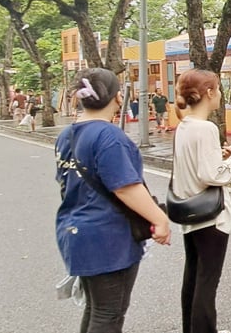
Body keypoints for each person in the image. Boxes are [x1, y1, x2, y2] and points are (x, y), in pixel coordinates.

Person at [54, 68, 171, 333]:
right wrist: (159, 218)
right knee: (109, 313)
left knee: (96, 309)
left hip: (75, 231)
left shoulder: (68, 135)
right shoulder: (109, 137)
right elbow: (126, 187)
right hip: (106, 237)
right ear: (118, 97)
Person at [172, 69, 231, 333]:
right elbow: (213, 174)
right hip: (210, 216)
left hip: (189, 211)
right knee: (207, 281)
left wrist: (219, 154)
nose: (220, 94)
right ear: (208, 93)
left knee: (193, 276)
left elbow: (196, 165)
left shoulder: (185, 125)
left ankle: (190, 328)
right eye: (218, 89)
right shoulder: (206, 128)